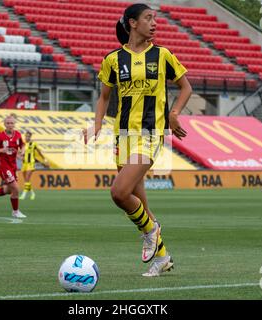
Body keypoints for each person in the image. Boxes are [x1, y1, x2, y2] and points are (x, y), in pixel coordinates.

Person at [83, 3, 192, 277]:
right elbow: (104, 97)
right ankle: (162, 258)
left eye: (155, 18)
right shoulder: (113, 59)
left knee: (119, 193)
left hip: (149, 134)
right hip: (122, 136)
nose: (154, 23)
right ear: (132, 23)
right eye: (148, 18)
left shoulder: (163, 54)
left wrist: (174, 113)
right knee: (139, 201)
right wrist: (96, 125)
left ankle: (152, 231)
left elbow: (186, 87)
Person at [0, 114, 27, 218]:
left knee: (9, 190)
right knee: (16, 189)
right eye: (8, 123)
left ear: (14, 124)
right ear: (4, 124)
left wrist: (22, 152)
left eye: (12, 123)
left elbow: (23, 145)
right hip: (4, 166)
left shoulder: (18, 135)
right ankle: (15, 212)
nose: (10, 125)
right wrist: (2, 150)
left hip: (13, 166)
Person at [20, 131, 48, 200]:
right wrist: (21, 156)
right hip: (24, 164)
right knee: (26, 181)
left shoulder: (33, 144)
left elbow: (39, 151)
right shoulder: (23, 144)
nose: (27, 137)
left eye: (28, 136)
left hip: (31, 163)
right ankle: (32, 193)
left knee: (27, 179)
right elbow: (20, 153)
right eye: (26, 136)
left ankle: (24, 194)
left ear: (30, 137)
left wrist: (44, 159)